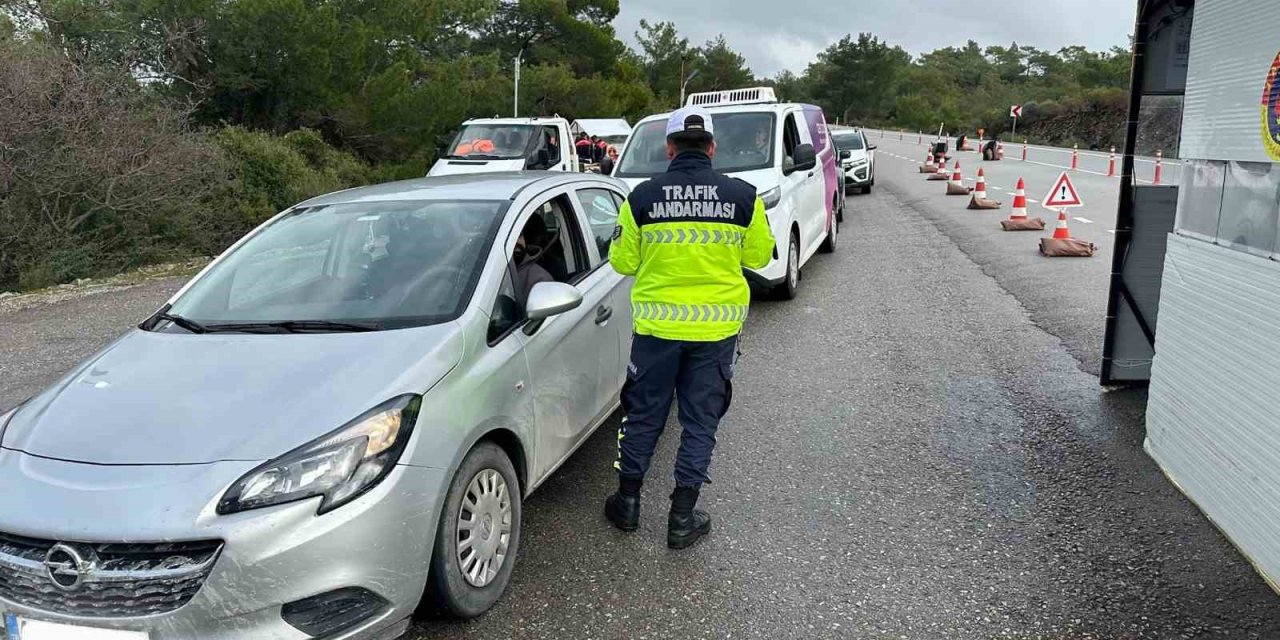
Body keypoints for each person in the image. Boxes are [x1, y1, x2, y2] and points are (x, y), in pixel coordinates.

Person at [604, 105, 776, 549]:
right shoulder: (743, 197)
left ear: (669, 147)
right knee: (700, 421)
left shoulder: (641, 197)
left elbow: (622, 260)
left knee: (643, 415)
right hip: (715, 334)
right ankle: (682, 519)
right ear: (713, 148)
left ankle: (627, 504)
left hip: (656, 332)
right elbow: (759, 256)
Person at [513, 219, 554, 310]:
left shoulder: (540, 279)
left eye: (519, 235)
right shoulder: (485, 273)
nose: (516, 242)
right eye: (510, 238)